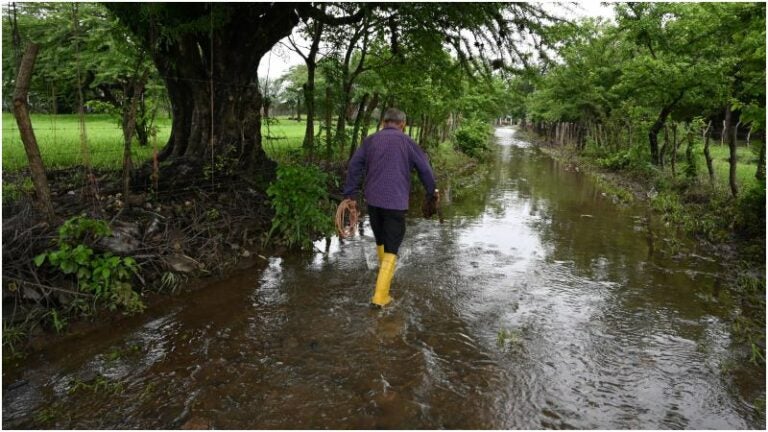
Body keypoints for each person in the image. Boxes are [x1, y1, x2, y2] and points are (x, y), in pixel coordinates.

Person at [342, 108, 437, 307]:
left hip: (373, 201)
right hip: (396, 202)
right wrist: (431, 191)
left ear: (384, 122)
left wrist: (350, 194)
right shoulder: (408, 142)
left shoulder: (370, 140)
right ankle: (380, 296)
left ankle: (382, 272)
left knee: (381, 238)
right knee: (393, 245)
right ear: (403, 124)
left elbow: (354, 166)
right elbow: (425, 169)